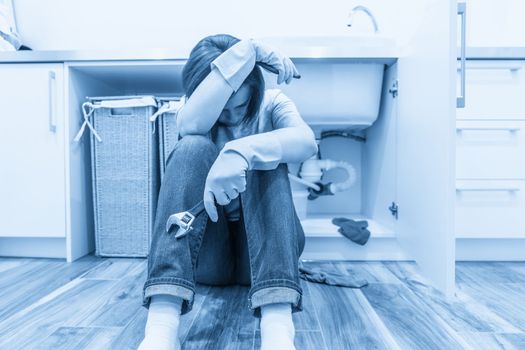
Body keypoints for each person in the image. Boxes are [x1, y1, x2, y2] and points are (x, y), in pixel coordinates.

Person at [138, 33, 318, 350]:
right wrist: (248, 49)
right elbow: (189, 127)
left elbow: (305, 143)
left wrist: (240, 152)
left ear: (254, 92)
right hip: (210, 257)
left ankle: (278, 333)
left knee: (269, 157)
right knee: (191, 146)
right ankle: (160, 331)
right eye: (224, 109)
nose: (234, 116)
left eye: (242, 105)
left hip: (267, 254)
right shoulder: (193, 110)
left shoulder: (272, 102)